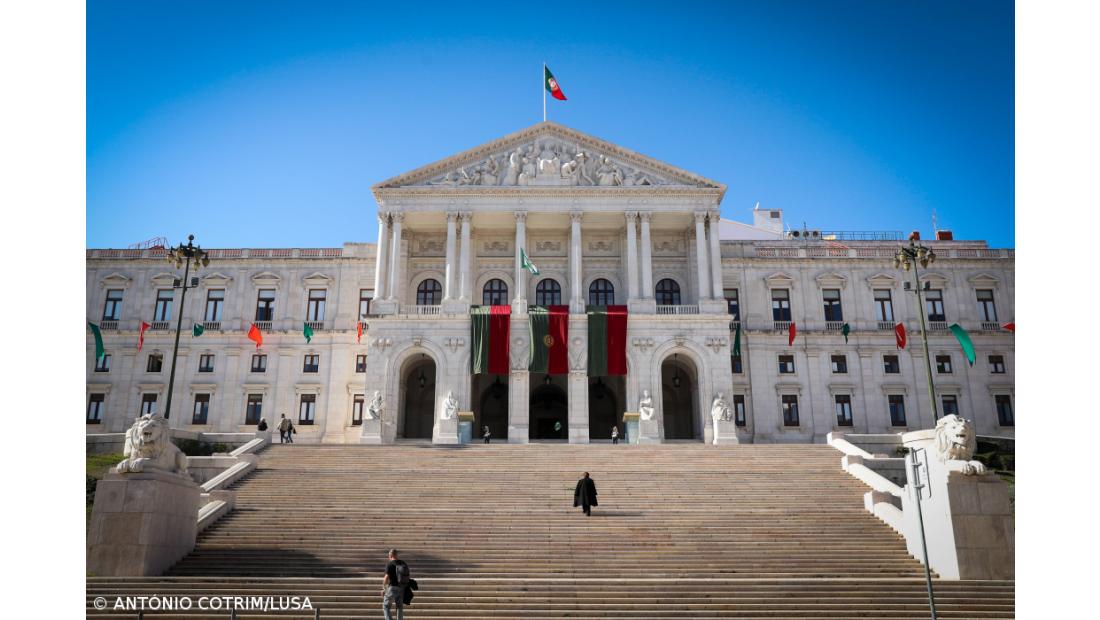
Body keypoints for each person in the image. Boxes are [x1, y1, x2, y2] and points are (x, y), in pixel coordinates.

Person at [382, 548, 410, 620]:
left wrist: (383, 588)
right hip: (401, 588)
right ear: (397, 555)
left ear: (390, 555)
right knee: (399, 607)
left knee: (386, 606)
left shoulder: (390, 564)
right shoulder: (403, 563)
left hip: (392, 588)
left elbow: (386, 578)